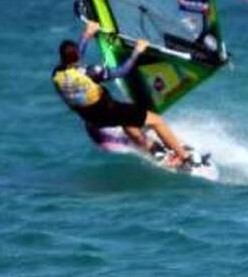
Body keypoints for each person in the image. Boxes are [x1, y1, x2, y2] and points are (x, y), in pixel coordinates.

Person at [52, 20, 191, 167]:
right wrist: (137, 51)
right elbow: (122, 71)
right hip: (109, 111)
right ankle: (183, 156)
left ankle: (150, 148)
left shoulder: (57, 73)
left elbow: (75, 57)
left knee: (127, 121)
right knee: (156, 121)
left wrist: (87, 35)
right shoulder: (90, 73)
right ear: (77, 57)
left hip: (91, 119)